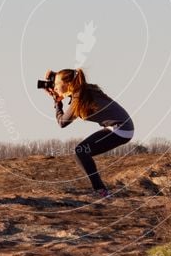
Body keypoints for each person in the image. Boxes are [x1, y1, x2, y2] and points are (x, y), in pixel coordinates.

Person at [43, 68, 134, 199]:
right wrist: (54, 78)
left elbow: (62, 122)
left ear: (68, 84)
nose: (55, 87)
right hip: (122, 128)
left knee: (80, 151)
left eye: (56, 84)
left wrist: (57, 103)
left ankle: (101, 191)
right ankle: (101, 190)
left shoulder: (79, 98)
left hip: (120, 129)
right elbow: (70, 83)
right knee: (82, 152)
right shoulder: (83, 91)